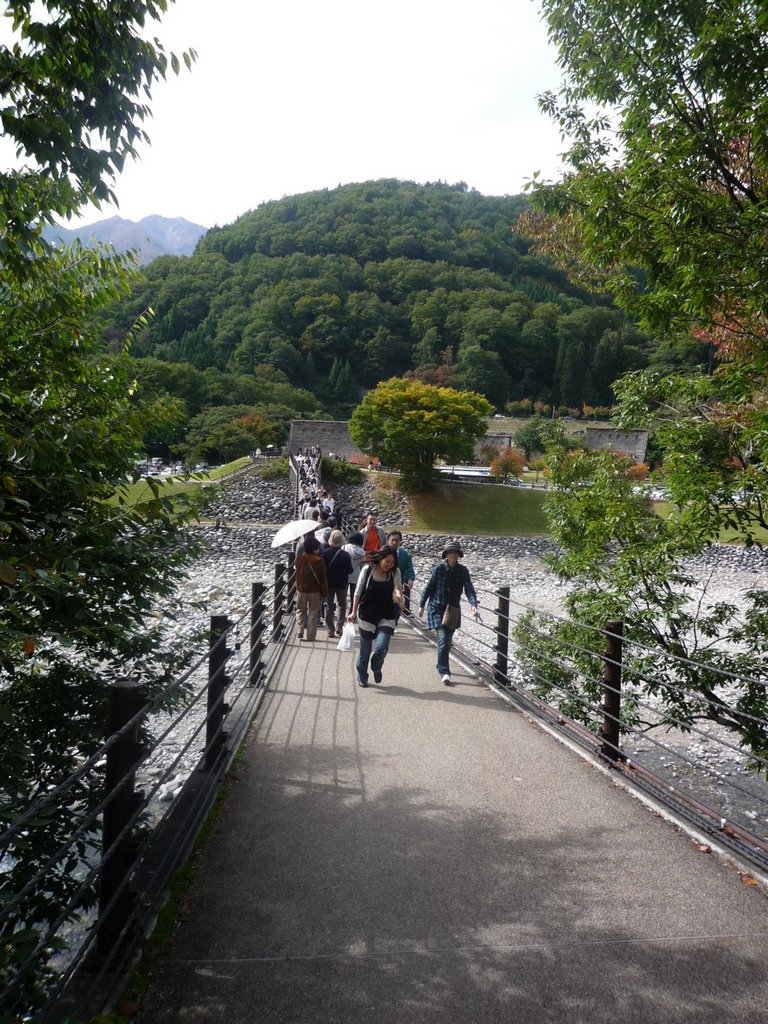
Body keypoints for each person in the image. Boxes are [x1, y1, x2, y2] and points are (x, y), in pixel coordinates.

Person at [418, 541, 478, 686]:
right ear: (446, 554)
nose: (453, 554)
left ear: (459, 555)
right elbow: (429, 587)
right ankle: (444, 671)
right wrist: (421, 605)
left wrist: (473, 604)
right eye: (450, 552)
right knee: (443, 639)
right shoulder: (439, 569)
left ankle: (440, 664)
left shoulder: (463, 571)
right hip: (437, 608)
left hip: (452, 610)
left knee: (447, 642)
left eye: (455, 552)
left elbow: (469, 588)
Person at [348, 545, 403, 688]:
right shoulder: (367, 570)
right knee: (365, 651)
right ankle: (362, 675)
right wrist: (353, 612)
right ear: (380, 559)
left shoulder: (394, 572)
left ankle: (376, 666)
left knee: (382, 647)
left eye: (392, 562)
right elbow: (358, 592)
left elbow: (398, 588)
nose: (389, 565)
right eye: (387, 561)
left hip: (386, 613)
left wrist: (399, 597)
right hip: (367, 614)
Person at [294, 534, 328, 642]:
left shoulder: (299, 559)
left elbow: (297, 575)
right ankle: (311, 636)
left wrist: (297, 587)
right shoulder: (320, 561)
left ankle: (300, 631)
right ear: (314, 549)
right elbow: (323, 579)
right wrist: (325, 593)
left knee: (300, 610)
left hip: (301, 589)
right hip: (315, 591)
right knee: (313, 613)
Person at [322, 530, 353, 638]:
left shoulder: (324, 553)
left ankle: (330, 629)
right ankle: (340, 627)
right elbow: (350, 570)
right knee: (342, 605)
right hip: (341, 583)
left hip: (328, 583)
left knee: (329, 606)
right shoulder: (345, 555)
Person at [387, 530, 416, 617]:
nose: (395, 542)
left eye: (397, 540)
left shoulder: (404, 555)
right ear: (388, 540)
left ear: (400, 541)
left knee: (396, 606)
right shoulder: (384, 553)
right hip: (385, 583)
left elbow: (409, 568)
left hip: (398, 585)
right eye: (393, 540)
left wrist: (410, 578)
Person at [344, 531, 366, 607]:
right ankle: (352, 614)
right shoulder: (362, 552)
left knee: (342, 598)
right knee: (354, 597)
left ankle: (342, 615)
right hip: (357, 576)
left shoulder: (344, 548)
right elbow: (363, 566)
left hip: (345, 575)